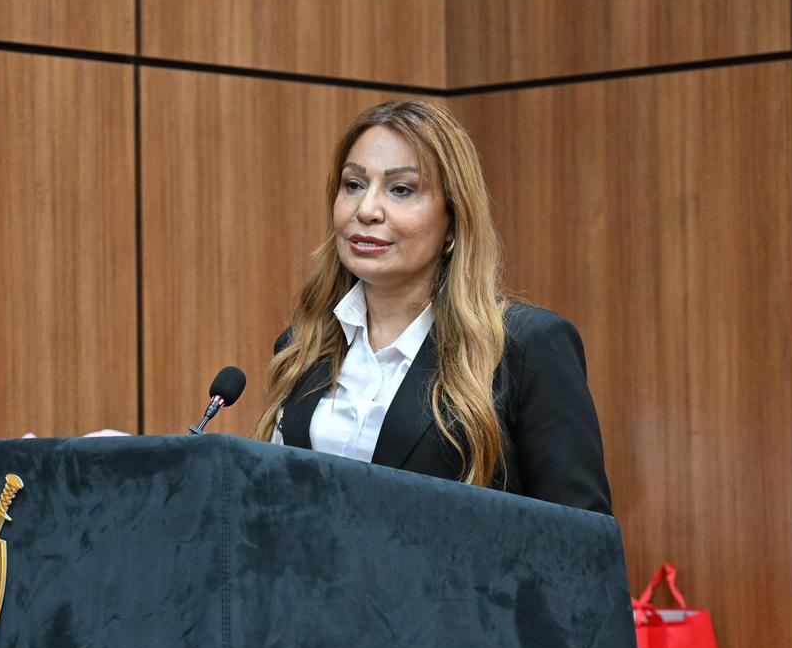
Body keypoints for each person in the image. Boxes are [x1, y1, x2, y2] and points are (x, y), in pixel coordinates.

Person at [253, 99, 612, 515]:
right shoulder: (302, 346)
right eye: (353, 185)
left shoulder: (527, 347)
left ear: (453, 220)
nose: (366, 210)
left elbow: (581, 536)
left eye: (401, 189)